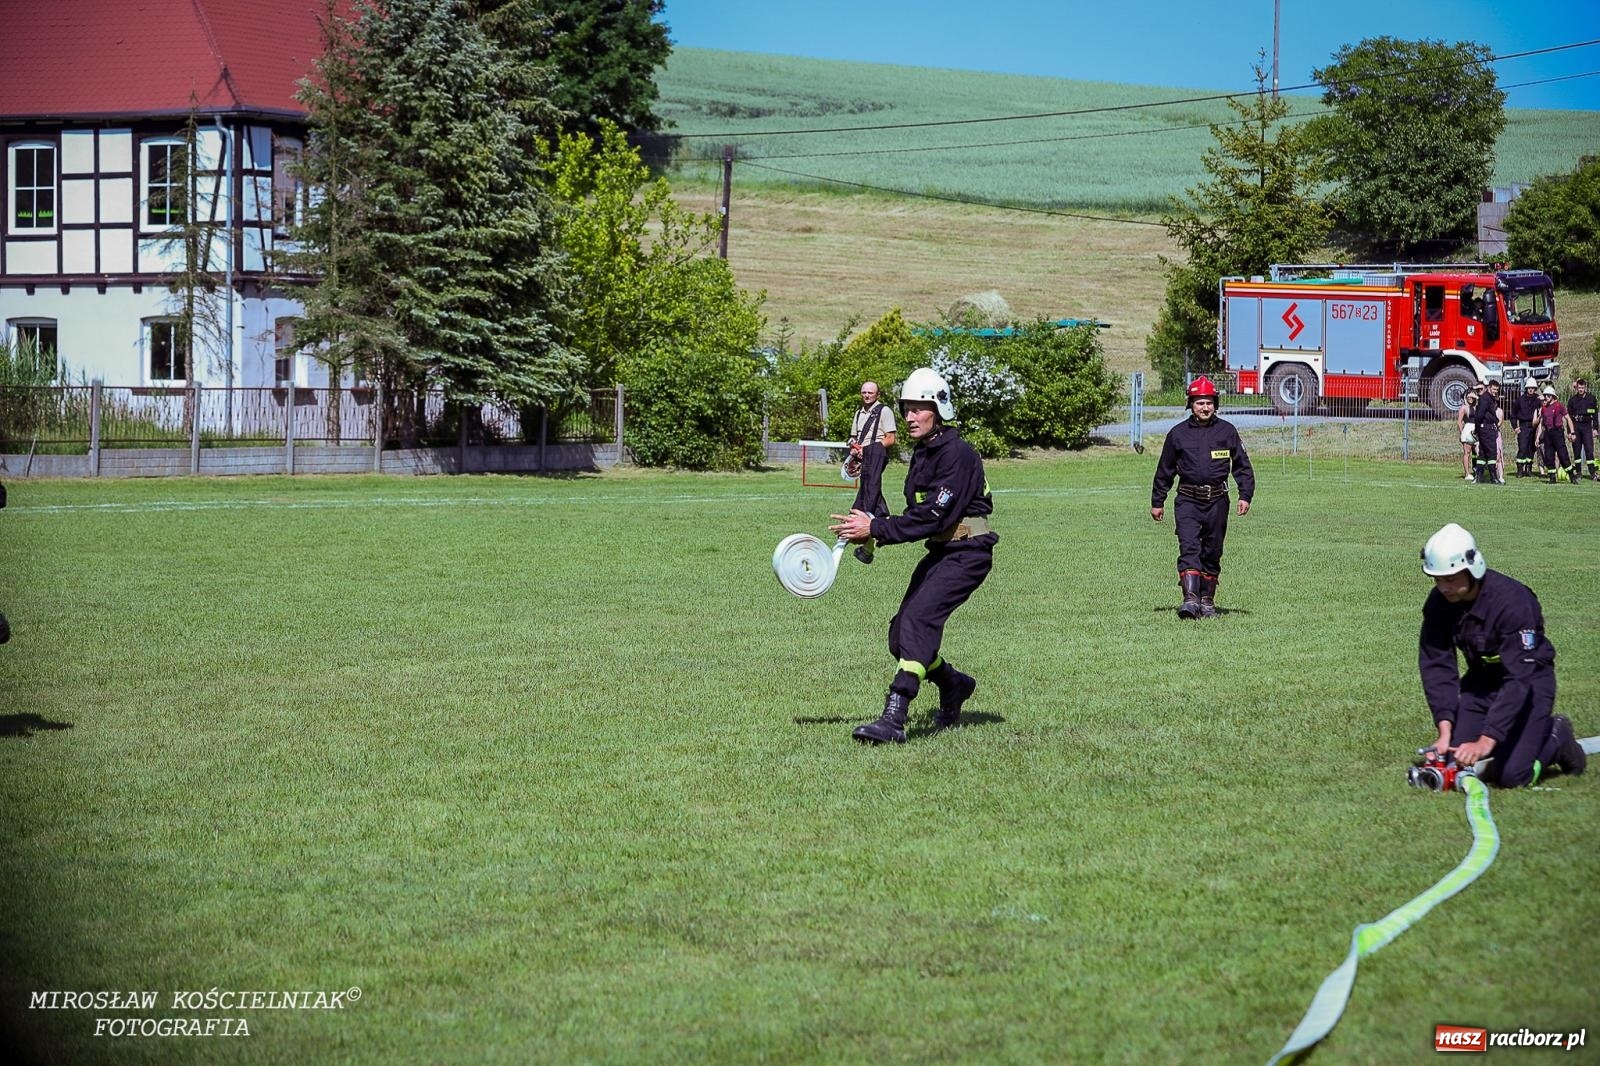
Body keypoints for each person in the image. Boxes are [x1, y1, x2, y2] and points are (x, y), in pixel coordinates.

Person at [830, 367, 996, 744]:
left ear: (938, 409)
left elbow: (934, 516)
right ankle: (953, 684)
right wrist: (872, 526)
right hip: (942, 550)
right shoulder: (923, 453)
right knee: (899, 635)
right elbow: (917, 515)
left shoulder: (957, 454)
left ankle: (894, 715)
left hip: (969, 553)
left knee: (918, 622)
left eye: (918, 408)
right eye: (906, 408)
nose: (909, 416)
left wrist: (876, 528)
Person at [1418, 523, 1586, 787]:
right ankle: (1509, 740)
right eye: (1437, 579)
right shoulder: (1439, 603)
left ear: (1473, 568)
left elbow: (1519, 678)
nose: (1443, 587)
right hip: (1481, 683)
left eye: (1450, 579)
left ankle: (1556, 735)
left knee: (1512, 776)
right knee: (1455, 763)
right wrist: (1444, 730)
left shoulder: (1513, 602)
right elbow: (1436, 665)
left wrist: (1487, 740)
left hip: (1530, 681)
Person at [1149, 375, 1255, 619]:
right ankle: (1190, 600)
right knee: (1189, 547)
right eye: (1199, 403)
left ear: (1215, 404)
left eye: (1209, 403)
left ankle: (1207, 602)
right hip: (1187, 500)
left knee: (1212, 550)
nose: (1205, 407)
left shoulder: (1228, 431)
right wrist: (1158, 501)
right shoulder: (1177, 434)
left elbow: (1242, 466)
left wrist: (1245, 495)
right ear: (1191, 405)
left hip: (1218, 501)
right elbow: (1164, 469)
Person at [844, 381, 897, 564]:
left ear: (877, 395)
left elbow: (891, 439)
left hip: (877, 455)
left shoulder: (885, 411)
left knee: (870, 489)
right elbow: (854, 437)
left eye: (870, 392)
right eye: (864, 392)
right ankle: (881, 522)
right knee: (870, 488)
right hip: (862, 457)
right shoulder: (859, 413)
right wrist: (854, 448)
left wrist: (868, 449)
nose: (867, 395)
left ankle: (859, 520)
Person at [1534, 384, 1577, 485]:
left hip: (1558, 433)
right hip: (1548, 434)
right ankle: (1552, 477)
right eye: (1545, 395)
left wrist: (1572, 432)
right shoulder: (1544, 408)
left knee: (1563, 455)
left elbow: (1568, 419)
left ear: (1553, 396)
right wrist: (1537, 438)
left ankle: (1571, 475)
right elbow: (1541, 424)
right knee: (1549, 456)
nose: (1546, 397)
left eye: (1548, 395)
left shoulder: (1559, 406)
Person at [1470, 381, 1504, 484]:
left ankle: (1479, 476)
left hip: (1485, 428)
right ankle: (1493, 477)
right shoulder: (1485, 398)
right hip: (1487, 428)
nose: (1495, 391)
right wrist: (1477, 429)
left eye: (1497, 390)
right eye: (1493, 389)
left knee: (1483, 453)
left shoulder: (1488, 398)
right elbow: (1479, 415)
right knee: (1492, 452)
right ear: (1488, 388)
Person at [1567, 378, 1597, 481]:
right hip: (1576, 426)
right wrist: (1570, 432)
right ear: (1576, 388)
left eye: (1582, 388)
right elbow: (1569, 418)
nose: (1581, 389)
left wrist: (1595, 429)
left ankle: (1592, 473)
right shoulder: (1572, 400)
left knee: (1589, 450)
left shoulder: (1591, 399)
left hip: (1587, 426)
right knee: (1577, 450)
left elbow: (1595, 415)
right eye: (1579, 388)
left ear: (1585, 387)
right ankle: (1578, 473)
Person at [1511, 379, 1542, 478]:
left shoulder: (1538, 400)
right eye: (1529, 388)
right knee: (1522, 448)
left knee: (1531, 449)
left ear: (1535, 389)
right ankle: (1520, 470)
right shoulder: (1520, 400)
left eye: (1533, 388)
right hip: (1523, 426)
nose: (1531, 390)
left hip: (1534, 426)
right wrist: (1515, 427)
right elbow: (1513, 415)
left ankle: (1528, 469)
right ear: (1526, 388)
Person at [1456, 386, 1480, 481]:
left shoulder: (1478, 407)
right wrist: (1462, 433)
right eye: (1468, 396)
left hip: (1477, 430)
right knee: (1467, 453)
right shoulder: (1464, 408)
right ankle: (1467, 473)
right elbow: (1459, 421)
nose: (1470, 398)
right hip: (1468, 430)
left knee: (1479, 452)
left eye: (1472, 396)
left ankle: (1479, 471)